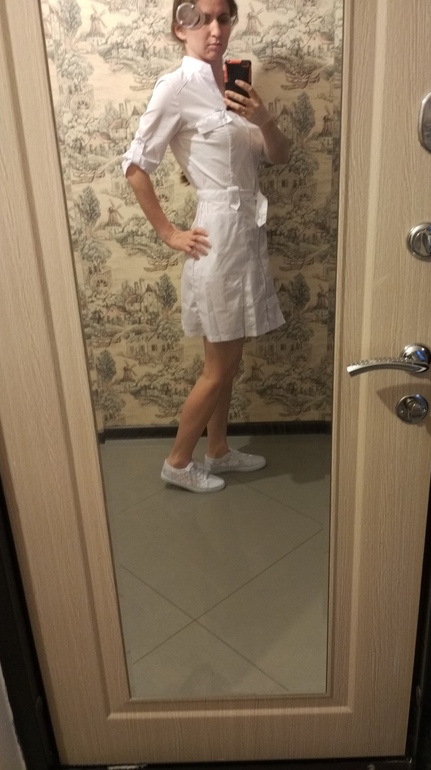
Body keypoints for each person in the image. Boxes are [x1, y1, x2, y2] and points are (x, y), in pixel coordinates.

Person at [122, 0, 291, 493]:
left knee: (229, 363)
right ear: (181, 28)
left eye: (223, 18)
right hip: (216, 238)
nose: (214, 29)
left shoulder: (237, 90)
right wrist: (169, 233)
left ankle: (216, 449)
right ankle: (178, 462)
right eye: (200, 19)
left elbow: (279, 157)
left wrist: (264, 118)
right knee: (218, 369)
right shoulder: (176, 88)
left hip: (246, 236)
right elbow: (135, 167)